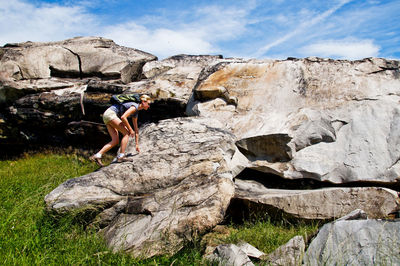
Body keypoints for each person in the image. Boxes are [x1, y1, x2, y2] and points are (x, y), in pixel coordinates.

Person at [89, 94, 151, 167]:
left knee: (115, 140)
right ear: (143, 102)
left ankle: (97, 155)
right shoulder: (134, 106)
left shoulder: (136, 112)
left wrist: (136, 144)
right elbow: (123, 117)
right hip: (111, 114)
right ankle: (121, 156)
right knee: (127, 133)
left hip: (107, 115)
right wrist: (130, 130)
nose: (149, 106)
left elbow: (136, 129)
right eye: (148, 103)